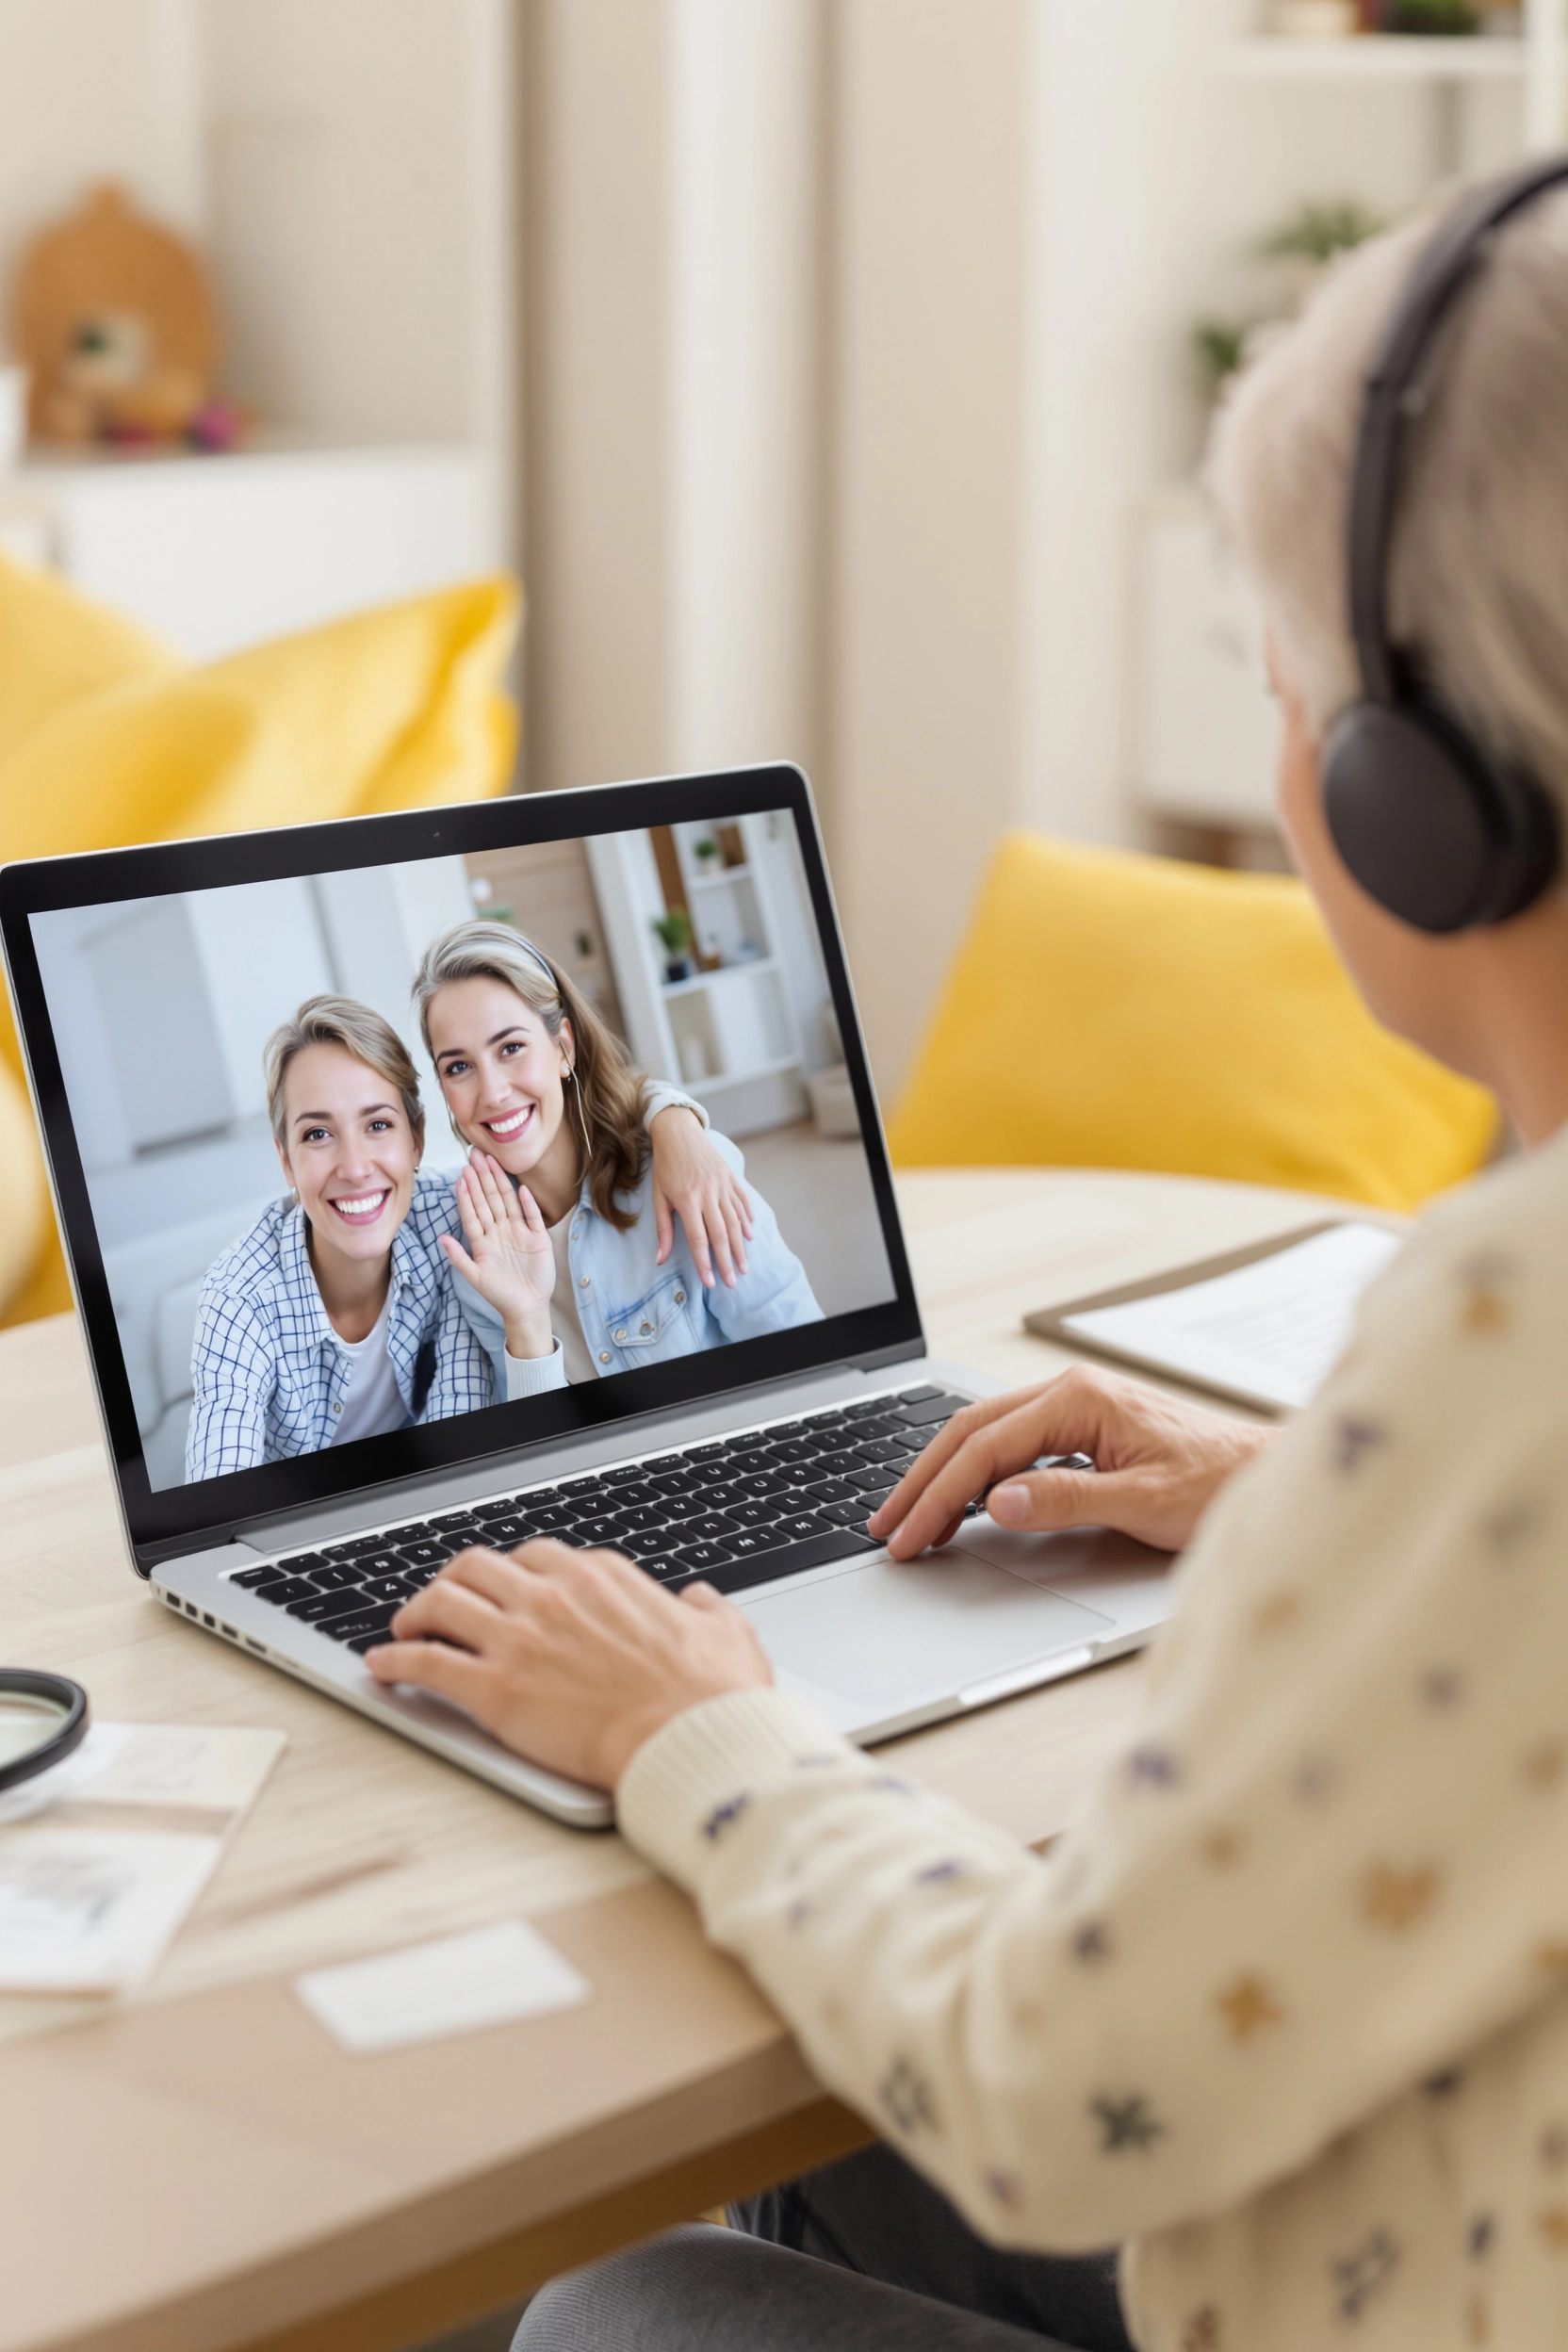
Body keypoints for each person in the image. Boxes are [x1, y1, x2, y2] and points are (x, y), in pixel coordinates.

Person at [367, 169, 1568, 2349]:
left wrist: (696, 1721)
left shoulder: (1510, 1325)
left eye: (1282, 673)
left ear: (1417, 790)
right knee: (792, 2102)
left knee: (605, 2310)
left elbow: (1040, 2081)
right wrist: (1309, 1511)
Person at [409, 919, 822, 1399]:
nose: (494, 1092)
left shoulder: (682, 1178)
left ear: (564, 1048)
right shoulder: (478, 1266)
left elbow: (803, 1361)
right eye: (458, 1067)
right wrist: (524, 1322)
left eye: (511, 1048)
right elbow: (540, 1455)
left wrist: (671, 1116)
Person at [186, 996, 492, 1477]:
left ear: (417, 1139)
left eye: (378, 1125)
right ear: (285, 1160)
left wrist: (655, 1113)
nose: (354, 1168)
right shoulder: (239, 1299)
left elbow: (464, 1421)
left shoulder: (455, 1216)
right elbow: (219, 1493)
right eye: (317, 1135)